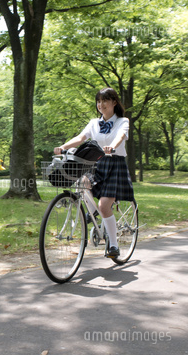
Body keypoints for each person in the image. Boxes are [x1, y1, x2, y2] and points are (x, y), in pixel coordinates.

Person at [53, 87, 134, 258]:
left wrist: (112, 146)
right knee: (83, 182)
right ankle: (94, 214)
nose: (101, 104)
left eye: (105, 100)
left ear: (114, 102)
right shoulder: (94, 123)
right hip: (96, 162)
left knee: (105, 205)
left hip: (114, 164)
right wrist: (63, 147)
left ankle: (113, 245)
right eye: (98, 101)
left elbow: (121, 135)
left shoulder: (122, 121)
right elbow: (81, 138)